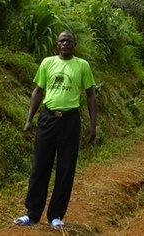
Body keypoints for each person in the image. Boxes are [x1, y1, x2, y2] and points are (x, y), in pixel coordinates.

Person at [14, 30, 97, 230]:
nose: (65, 43)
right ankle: (31, 214)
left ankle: (56, 216)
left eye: (69, 41)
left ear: (74, 45)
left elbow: (90, 95)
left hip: (70, 121)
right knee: (40, 166)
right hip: (48, 118)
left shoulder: (82, 65)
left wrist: (93, 125)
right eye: (62, 41)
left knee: (66, 169)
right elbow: (38, 91)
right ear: (56, 45)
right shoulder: (47, 63)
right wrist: (29, 119)